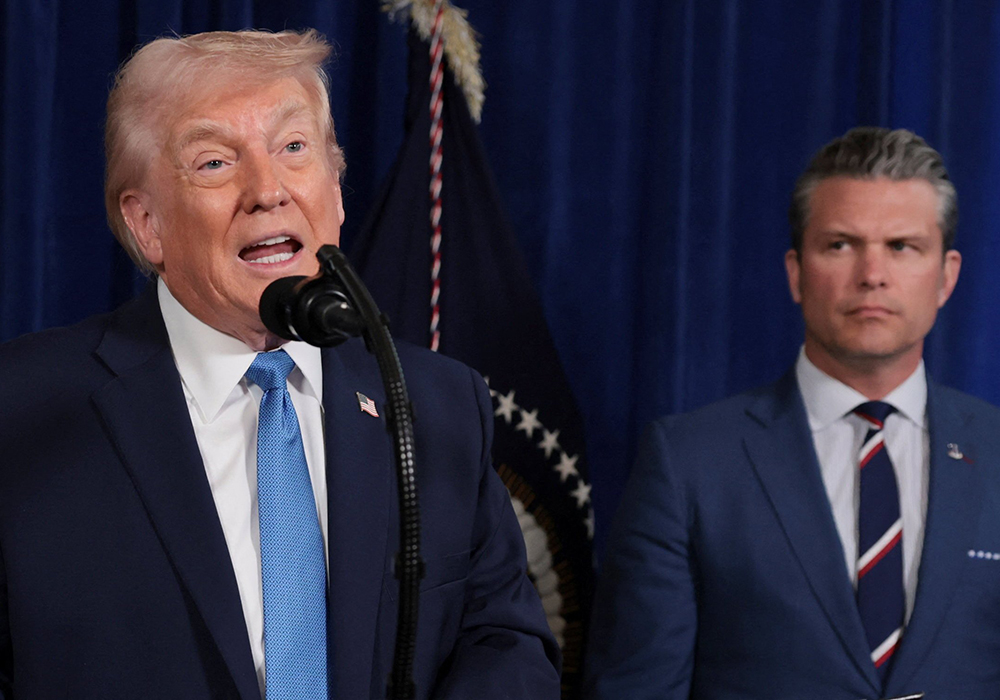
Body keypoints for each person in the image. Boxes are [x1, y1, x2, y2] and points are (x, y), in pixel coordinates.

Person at [0, 29, 559, 699]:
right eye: (214, 162)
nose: (268, 190)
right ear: (146, 222)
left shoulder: (437, 403)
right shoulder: (25, 408)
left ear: (337, 190)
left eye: (294, 149)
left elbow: (503, 642)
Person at [585, 127, 1000, 699]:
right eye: (840, 245)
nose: (871, 274)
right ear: (796, 272)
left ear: (947, 276)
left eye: (902, 246)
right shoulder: (688, 463)